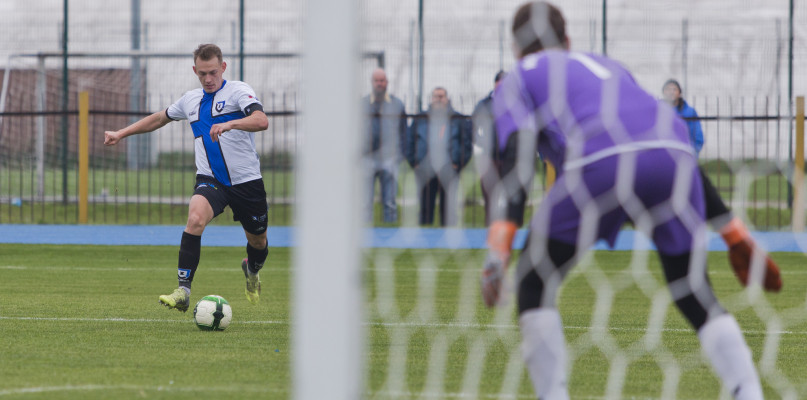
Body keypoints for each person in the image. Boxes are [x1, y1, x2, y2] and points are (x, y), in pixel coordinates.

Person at [481, 2, 769, 399]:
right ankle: (748, 391)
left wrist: (500, 242)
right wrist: (734, 233)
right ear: (567, 41)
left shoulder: (519, 77)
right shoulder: (609, 66)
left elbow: (517, 151)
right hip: (675, 156)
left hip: (602, 163)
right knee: (691, 287)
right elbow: (657, 141)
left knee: (535, 278)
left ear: (515, 48)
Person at [104, 44, 270, 312]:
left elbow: (261, 120)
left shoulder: (238, 91)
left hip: (247, 182)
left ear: (223, 67)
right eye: (202, 73)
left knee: (258, 242)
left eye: (213, 72)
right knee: (194, 219)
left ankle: (251, 270)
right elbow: (159, 118)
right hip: (211, 180)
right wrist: (121, 133)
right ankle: (183, 290)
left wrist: (230, 123)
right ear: (195, 70)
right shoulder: (190, 100)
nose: (208, 79)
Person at [406, 87, 472, 226]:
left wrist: (458, 164)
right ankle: (424, 236)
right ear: (431, 99)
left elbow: (466, 144)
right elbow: (409, 141)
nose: (439, 99)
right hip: (426, 167)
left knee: (448, 206)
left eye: (442, 96)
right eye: (436, 96)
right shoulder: (421, 118)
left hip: (449, 168)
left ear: (447, 99)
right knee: (425, 205)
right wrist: (415, 163)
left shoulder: (457, 119)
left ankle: (447, 237)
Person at [362, 68, 407, 223]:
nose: (379, 84)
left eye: (382, 80)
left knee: (389, 200)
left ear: (387, 83)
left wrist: (400, 156)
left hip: (390, 157)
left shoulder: (397, 104)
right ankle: (365, 229)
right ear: (372, 82)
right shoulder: (362, 104)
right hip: (367, 158)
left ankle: (389, 230)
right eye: (376, 80)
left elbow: (403, 132)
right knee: (365, 201)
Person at [472, 70, 516, 226]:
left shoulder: (516, 103)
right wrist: (481, 143)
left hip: (511, 156)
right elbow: (474, 126)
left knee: (512, 194)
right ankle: (490, 227)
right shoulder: (484, 104)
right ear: (495, 83)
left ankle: (509, 226)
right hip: (489, 156)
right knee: (490, 194)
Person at [663, 79, 704, 155]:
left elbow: (698, 137)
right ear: (664, 92)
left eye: (674, 89)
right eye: (668, 89)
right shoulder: (658, 111)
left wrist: (692, 153)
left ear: (679, 93)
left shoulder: (689, 112)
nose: (671, 92)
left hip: (684, 154)